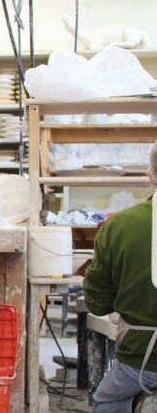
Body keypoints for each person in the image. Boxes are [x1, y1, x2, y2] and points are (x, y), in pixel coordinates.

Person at [84, 141, 157, 413]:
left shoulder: (119, 225)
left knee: (107, 401)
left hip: (142, 361)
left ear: (150, 175)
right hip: (142, 358)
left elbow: (99, 304)